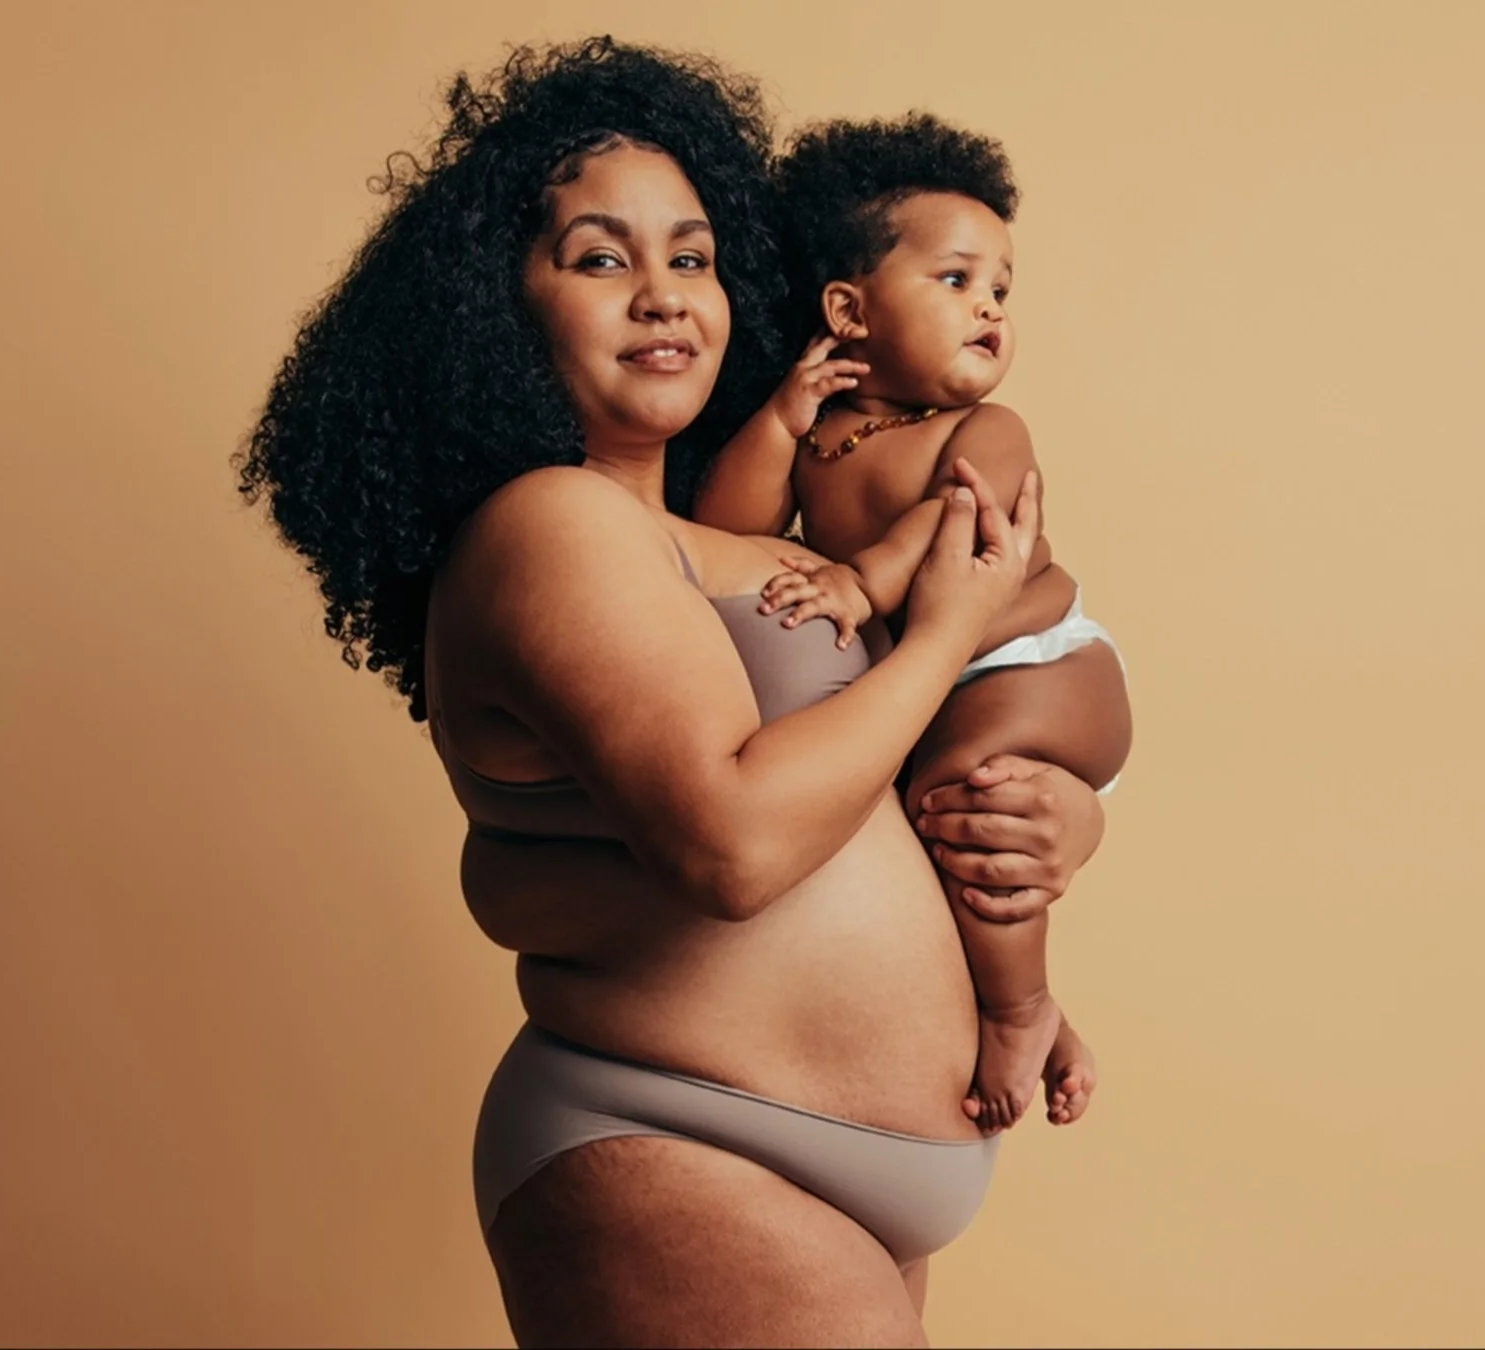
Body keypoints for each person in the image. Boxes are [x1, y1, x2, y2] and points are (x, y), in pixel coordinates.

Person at [239, 38, 1110, 1346]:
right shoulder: (552, 527)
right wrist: (945, 631)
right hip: (679, 1141)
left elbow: (883, 771)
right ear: (500, 304)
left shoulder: (759, 540)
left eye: (692, 256)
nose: (663, 296)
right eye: (601, 257)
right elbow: (737, 841)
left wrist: (1049, 824)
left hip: (819, 1159)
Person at [694, 113, 1135, 1132]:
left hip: (1038, 663)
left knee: (961, 795)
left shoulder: (985, 429)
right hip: (948, 683)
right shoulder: (825, 438)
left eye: (1001, 290)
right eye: (957, 281)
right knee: (940, 833)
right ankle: (1008, 996)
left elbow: (966, 522)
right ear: (847, 309)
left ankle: (1019, 1007)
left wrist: (859, 585)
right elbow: (731, 532)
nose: (989, 306)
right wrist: (776, 425)